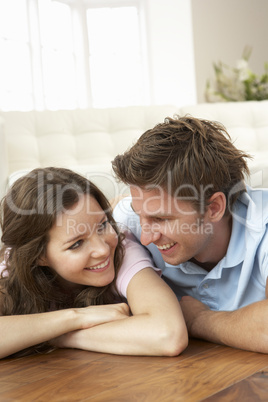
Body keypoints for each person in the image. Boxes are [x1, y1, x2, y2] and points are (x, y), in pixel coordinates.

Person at [112, 115, 268, 354]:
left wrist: (199, 320)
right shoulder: (130, 223)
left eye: (161, 219)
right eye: (140, 213)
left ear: (213, 207)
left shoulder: (263, 225)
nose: (146, 238)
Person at [0, 167, 188, 359]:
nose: (103, 250)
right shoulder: (15, 266)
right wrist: (77, 317)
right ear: (39, 257)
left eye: (102, 225)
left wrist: (59, 336)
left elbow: (168, 334)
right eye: (77, 244)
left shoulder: (123, 251)